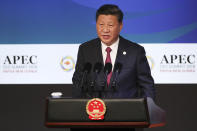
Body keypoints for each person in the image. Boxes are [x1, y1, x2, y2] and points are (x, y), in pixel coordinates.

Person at [71, 4, 155, 131]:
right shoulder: (85, 49)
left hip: (125, 121)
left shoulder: (135, 51)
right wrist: (78, 113)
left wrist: (146, 114)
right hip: (91, 120)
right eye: (101, 25)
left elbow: (147, 86)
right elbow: (78, 82)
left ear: (120, 26)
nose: (105, 30)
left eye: (110, 25)